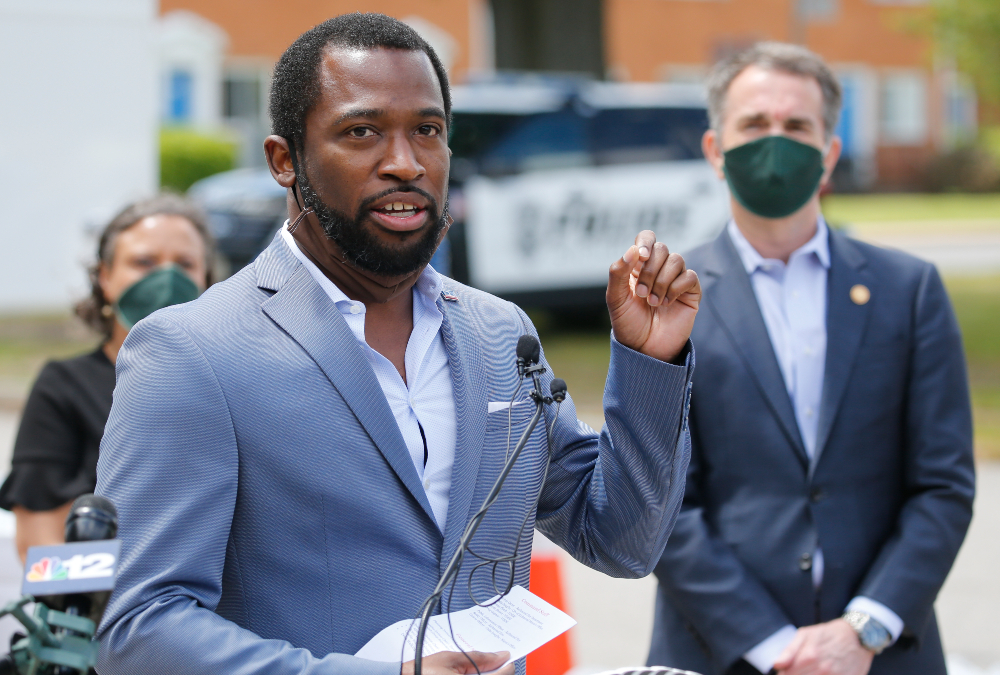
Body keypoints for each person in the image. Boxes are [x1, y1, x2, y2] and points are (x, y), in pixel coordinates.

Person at [94, 13, 700, 675]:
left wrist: (651, 361)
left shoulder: (501, 333)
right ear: (284, 160)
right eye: (362, 131)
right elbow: (140, 629)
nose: (405, 163)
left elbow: (622, 541)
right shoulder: (192, 352)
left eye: (427, 131)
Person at [645, 42, 975, 675]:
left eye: (796, 126)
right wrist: (775, 647)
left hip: (880, 655)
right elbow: (660, 501)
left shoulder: (908, 291)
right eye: (754, 124)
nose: (776, 142)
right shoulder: (666, 299)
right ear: (715, 149)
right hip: (719, 653)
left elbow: (944, 485)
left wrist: (863, 630)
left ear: (829, 152)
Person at [0, 195, 213, 564]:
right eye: (144, 262)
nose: (167, 279)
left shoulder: (228, 383)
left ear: (206, 281)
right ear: (105, 277)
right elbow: (41, 552)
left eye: (185, 264)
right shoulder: (63, 387)